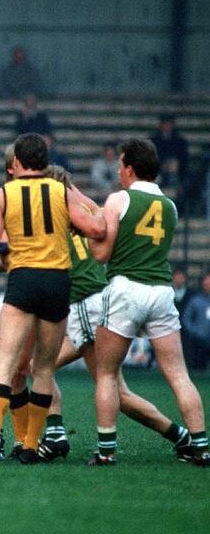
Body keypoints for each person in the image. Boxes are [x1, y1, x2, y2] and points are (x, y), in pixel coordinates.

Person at [34, 165, 194, 463]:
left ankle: (60, 436)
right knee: (45, 369)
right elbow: (99, 215)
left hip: (84, 302)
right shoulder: (84, 208)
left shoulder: (53, 213)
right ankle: (182, 437)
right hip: (97, 298)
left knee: (108, 388)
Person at [0, 133, 105, 465]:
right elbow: (94, 229)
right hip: (58, 281)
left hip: (24, 279)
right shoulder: (60, 190)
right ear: (45, 161)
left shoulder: (4, 193)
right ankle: (29, 446)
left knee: (5, 366)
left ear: (15, 163)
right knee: (43, 368)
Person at [87, 139, 209, 465]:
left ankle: (106, 451)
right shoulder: (170, 206)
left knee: (107, 374)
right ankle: (201, 446)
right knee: (179, 375)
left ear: (129, 168)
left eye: (120, 165)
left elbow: (103, 252)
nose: (117, 170)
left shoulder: (119, 199)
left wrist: (87, 228)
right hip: (161, 291)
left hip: (126, 287)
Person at [150, 114, 189, 202]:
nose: (167, 126)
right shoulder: (153, 141)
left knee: (177, 182)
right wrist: (161, 166)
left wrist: (176, 166)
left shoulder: (180, 141)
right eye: (165, 124)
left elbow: (184, 159)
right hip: (157, 171)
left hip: (176, 172)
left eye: (169, 124)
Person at [182, 271, 210, 372]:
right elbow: (186, 320)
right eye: (206, 281)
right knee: (198, 369)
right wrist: (196, 332)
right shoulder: (195, 300)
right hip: (198, 342)